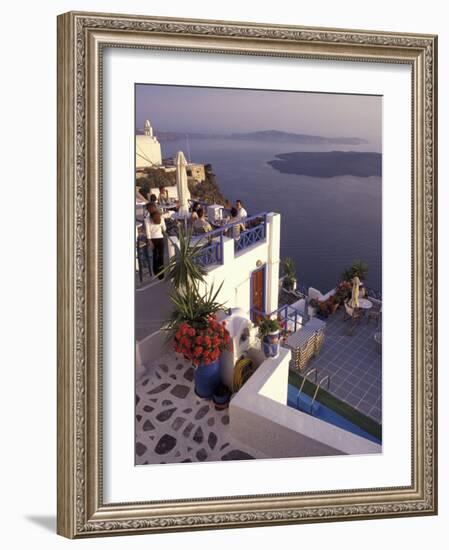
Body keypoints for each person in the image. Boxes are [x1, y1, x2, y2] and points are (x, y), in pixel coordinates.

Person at [145, 210, 166, 280]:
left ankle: (155, 272)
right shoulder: (161, 218)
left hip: (153, 240)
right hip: (160, 238)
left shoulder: (147, 220)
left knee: (154, 255)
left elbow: (148, 232)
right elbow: (164, 229)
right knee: (161, 256)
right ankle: (161, 275)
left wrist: (149, 240)